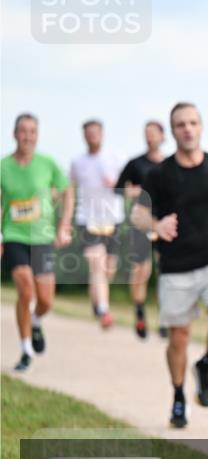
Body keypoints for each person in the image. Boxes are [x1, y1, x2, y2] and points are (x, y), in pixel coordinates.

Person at [135, 102, 208, 428]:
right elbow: (138, 214)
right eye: (181, 124)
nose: (187, 129)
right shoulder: (159, 174)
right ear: (172, 132)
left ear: (201, 127)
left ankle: (207, 363)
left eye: (193, 123)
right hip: (176, 265)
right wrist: (156, 226)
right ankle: (179, 396)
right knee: (179, 338)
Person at [1, 113, 74, 371]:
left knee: (46, 301)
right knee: (25, 291)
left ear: (37, 135)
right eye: (23, 131)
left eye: (32, 131)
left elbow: (67, 192)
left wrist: (64, 224)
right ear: (14, 134)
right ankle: (25, 350)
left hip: (43, 237)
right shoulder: (3, 166)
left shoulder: (48, 163)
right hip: (13, 236)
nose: (28, 136)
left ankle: (36, 321)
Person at [70, 119, 124, 329]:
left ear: (102, 134)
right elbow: (70, 185)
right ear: (84, 136)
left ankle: (97, 300)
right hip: (88, 218)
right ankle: (104, 310)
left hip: (113, 218)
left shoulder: (116, 157)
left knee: (108, 269)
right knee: (97, 264)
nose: (92, 136)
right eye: (88, 133)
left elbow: (130, 185)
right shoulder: (77, 161)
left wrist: (117, 185)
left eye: (96, 132)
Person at [116, 120, 167, 339]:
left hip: (164, 222)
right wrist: (132, 192)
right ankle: (139, 313)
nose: (150, 137)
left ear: (163, 136)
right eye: (146, 134)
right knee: (141, 271)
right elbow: (118, 190)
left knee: (165, 272)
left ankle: (165, 318)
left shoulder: (170, 164)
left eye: (154, 134)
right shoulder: (135, 163)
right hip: (141, 222)